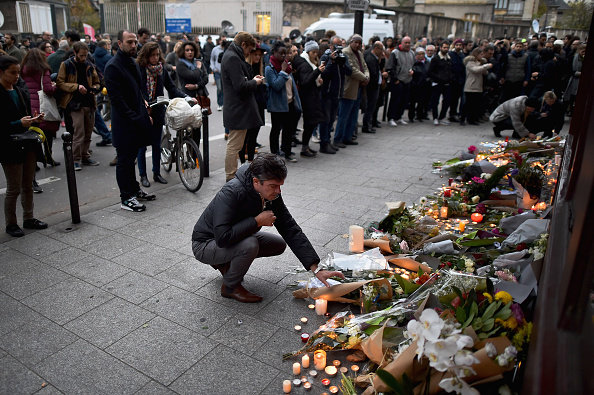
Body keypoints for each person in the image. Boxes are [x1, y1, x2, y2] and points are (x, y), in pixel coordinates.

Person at [191, 153, 344, 302]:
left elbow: (289, 227)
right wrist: (256, 221)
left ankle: (225, 262)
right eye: (273, 186)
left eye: (280, 186)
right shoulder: (232, 192)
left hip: (232, 238)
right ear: (256, 182)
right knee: (250, 245)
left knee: (278, 244)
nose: (278, 191)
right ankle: (230, 287)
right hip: (206, 243)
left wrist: (316, 269)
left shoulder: (270, 193)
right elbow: (222, 238)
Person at [104, 30, 155, 212]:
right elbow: (117, 100)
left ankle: (134, 190)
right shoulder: (113, 66)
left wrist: (144, 108)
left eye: (135, 42)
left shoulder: (132, 63)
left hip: (136, 119)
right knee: (125, 161)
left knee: (131, 158)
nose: (134, 45)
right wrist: (135, 118)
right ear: (119, 43)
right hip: (125, 123)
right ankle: (126, 198)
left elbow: (138, 91)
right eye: (129, 42)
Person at [0, 55, 48, 237]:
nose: (16, 76)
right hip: (9, 145)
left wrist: (34, 120)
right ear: (1, 72)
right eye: (12, 73)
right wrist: (19, 123)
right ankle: (11, 223)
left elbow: (24, 116)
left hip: (27, 142)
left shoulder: (19, 89)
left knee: (27, 184)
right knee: (13, 188)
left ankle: (29, 217)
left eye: (18, 72)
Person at [137, 42, 190, 188]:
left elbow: (172, 89)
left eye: (157, 55)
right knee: (141, 146)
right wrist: (143, 102)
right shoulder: (139, 69)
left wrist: (186, 97)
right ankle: (143, 175)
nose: (155, 58)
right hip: (143, 111)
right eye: (152, 55)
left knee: (156, 144)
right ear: (146, 56)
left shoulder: (161, 70)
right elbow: (136, 90)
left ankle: (156, 173)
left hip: (158, 110)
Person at [221, 32, 264, 182]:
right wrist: (255, 82)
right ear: (244, 45)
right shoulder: (233, 57)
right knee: (234, 145)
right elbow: (240, 86)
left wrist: (251, 79)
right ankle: (230, 177)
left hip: (238, 108)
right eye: (249, 50)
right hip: (238, 109)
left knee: (236, 144)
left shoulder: (232, 55)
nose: (249, 54)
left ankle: (232, 175)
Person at [56, 42, 101, 171]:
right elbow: (60, 82)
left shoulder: (89, 65)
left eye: (85, 55)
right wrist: (76, 87)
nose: (83, 58)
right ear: (75, 53)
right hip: (74, 103)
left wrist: (95, 88)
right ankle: (75, 159)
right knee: (78, 133)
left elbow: (97, 82)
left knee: (88, 133)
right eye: (81, 55)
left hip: (89, 102)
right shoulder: (66, 65)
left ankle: (85, 155)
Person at [21, 48, 61, 166]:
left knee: (32, 132)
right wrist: (56, 87)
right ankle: (48, 156)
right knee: (47, 133)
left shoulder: (23, 69)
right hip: (41, 104)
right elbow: (48, 89)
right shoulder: (43, 70)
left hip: (28, 103)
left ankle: (36, 159)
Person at [265, 41, 301, 162]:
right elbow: (275, 85)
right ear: (274, 53)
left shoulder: (287, 67)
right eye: (281, 53)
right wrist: (283, 72)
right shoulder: (270, 69)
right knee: (276, 129)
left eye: (285, 54)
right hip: (277, 105)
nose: (284, 56)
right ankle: (274, 153)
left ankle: (287, 151)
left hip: (289, 102)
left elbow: (291, 86)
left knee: (289, 129)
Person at [333, 34, 369, 147]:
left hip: (358, 87)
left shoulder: (359, 53)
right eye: (355, 42)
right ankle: (338, 138)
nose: (357, 45)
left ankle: (347, 137)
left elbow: (365, 66)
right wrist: (364, 77)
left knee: (353, 115)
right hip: (349, 88)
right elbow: (352, 70)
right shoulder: (346, 52)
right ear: (350, 42)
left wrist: (366, 77)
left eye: (359, 43)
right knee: (344, 115)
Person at [318, 36, 352, 154]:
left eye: (341, 45)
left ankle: (328, 142)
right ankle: (324, 143)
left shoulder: (343, 57)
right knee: (325, 120)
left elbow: (349, 71)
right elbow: (324, 75)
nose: (339, 48)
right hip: (327, 94)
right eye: (336, 45)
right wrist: (332, 62)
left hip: (337, 93)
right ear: (331, 46)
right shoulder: (325, 57)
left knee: (332, 119)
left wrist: (341, 63)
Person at [293, 39, 326, 157]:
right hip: (308, 98)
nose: (315, 55)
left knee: (311, 123)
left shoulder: (309, 62)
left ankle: (305, 147)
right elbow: (305, 82)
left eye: (317, 52)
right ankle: (304, 148)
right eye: (313, 52)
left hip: (311, 96)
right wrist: (317, 71)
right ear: (308, 52)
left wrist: (318, 81)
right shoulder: (305, 64)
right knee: (309, 123)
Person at [239, 45, 267, 164]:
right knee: (246, 136)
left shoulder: (259, 67)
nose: (258, 57)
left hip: (259, 104)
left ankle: (250, 161)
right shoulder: (247, 67)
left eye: (259, 55)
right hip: (250, 105)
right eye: (255, 54)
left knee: (254, 135)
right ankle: (243, 162)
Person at [386, 36, 415, 126]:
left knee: (404, 100)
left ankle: (399, 117)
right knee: (395, 100)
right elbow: (390, 67)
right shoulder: (395, 53)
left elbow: (413, 65)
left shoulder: (411, 53)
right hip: (398, 80)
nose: (407, 44)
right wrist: (395, 79)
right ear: (401, 43)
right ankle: (391, 117)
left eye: (409, 43)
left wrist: (413, 71)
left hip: (407, 80)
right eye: (405, 42)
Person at [460, 48, 492, 125]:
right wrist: (486, 66)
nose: (482, 56)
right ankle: (462, 118)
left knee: (475, 104)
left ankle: (472, 119)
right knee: (468, 103)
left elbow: (484, 72)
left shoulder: (480, 63)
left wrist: (484, 67)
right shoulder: (470, 63)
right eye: (481, 54)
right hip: (471, 86)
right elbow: (476, 70)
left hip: (478, 86)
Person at [428, 41, 453, 126]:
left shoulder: (448, 58)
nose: (446, 49)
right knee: (435, 101)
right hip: (438, 83)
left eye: (447, 47)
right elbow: (431, 71)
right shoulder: (436, 58)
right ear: (441, 47)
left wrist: (450, 78)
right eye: (444, 47)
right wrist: (438, 78)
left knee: (447, 100)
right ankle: (435, 117)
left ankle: (442, 117)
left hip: (446, 83)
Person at [363, 41, 385, 133]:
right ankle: (366, 125)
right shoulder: (370, 59)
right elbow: (373, 74)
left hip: (375, 86)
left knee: (373, 106)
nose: (382, 52)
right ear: (376, 48)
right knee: (370, 106)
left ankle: (369, 124)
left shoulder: (375, 58)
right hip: (372, 87)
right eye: (381, 49)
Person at [408, 47, 429, 123]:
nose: (421, 55)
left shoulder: (426, 63)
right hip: (415, 85)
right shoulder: (414, 63)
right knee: (412, 102)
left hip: (423, 85)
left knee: (421, 102)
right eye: (419, 54)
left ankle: (420, 116)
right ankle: (411, 116)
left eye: (422, 54)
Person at [448, 39, 466, 123]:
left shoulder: (462, 56)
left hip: (460, 80)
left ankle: (455, 113)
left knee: (457, 98)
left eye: (460, 45)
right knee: (453, 98)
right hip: (453, 80)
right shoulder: (450, 55)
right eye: (457, 45)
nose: (458, 46)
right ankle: (452, 113)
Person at [211, 37, 227, 111]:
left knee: (225, 88)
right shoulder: (215, 49)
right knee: (219, 88)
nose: (223, 42)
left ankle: (224, 103)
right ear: (219, 40)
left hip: (225, 72)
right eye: (222, 40)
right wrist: (214, 68)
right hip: (217, 71)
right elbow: (212, 59)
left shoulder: (227, 49)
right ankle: (220, 104)